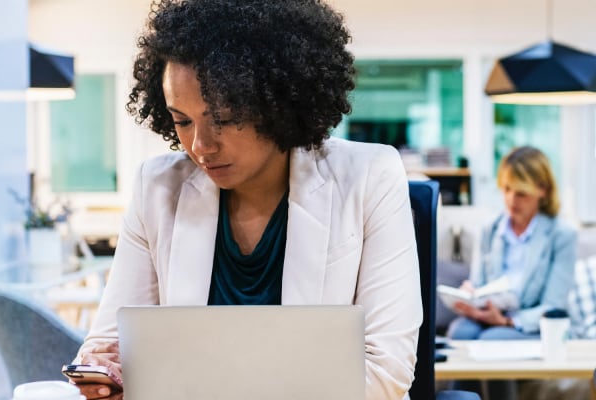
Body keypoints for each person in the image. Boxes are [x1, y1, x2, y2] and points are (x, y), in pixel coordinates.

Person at [71, 1, 422, 399]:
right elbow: (106, 348)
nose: (200, 146)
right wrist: (105, 376)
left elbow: (384, 374)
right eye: (182, 121)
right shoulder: (156, 187)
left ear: (278, 104)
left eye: (223, 118)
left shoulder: (369, 175)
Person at [446, 145, 577, 398]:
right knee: (460, 332)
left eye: (521, 193)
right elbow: (479, 284)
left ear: (543, 190)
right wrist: (471, 295)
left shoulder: (562, 235)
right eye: (506, 190)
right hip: (487, 317)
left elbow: (553, 306)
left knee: (493, 339)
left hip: (529, 325)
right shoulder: (489, 229)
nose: (511, 201)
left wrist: (507, 321)